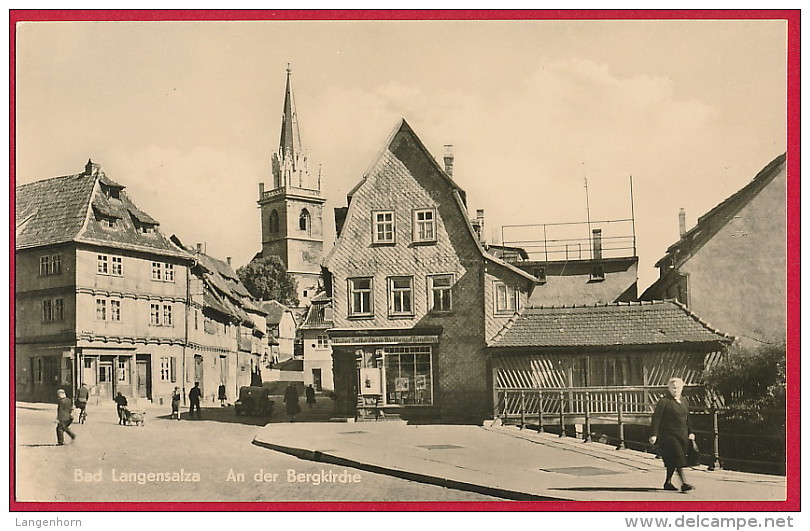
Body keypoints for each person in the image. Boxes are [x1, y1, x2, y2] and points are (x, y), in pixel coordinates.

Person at [650, 377, 696, 493]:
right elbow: (656, 419)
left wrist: (691, 432)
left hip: (682, 435)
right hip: (669, 436)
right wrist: (654, 434)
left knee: (673, 460)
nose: (675, 390)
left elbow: (687, 418)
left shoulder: (684, 401)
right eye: (673, 388)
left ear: (682, 388)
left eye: (678, 388)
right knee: (678, 457)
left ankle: (668, 482)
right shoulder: (664, 402)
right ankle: (683, 483)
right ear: (669, 388)